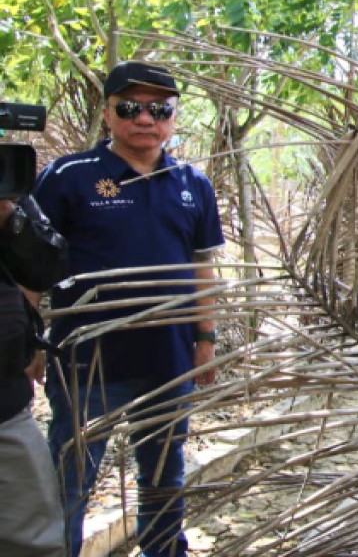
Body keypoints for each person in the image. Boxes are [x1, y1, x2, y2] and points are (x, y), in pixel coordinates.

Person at [32, 62, 224, 557]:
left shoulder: (192, 183)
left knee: (164, 474)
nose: (145, 118)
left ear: (173, 116)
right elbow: (27, 262)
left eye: (159, 109)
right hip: (86, 362)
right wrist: (28, 338)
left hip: (168, 360)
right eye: (131, 107)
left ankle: (164, 551)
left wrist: (206, 340)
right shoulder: (69, 177)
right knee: (71, 477)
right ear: (108, 113)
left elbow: (201, 268)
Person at [1, 194, 69, 557]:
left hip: (5, 408)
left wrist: (10, 217)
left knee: (32, 542)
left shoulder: (8, 188)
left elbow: (47, 268)